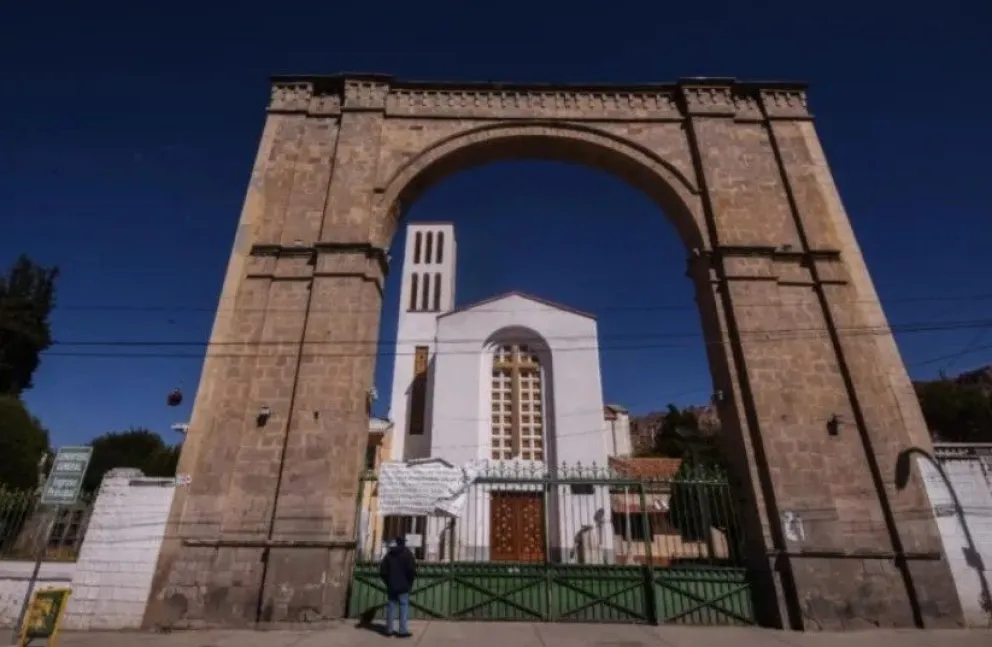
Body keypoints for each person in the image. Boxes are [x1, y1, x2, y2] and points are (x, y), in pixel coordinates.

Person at [379, 536, 416, 637]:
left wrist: (388, 582)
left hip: (392, 585)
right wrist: (409, 583)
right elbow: (411, 571)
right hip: (404, 586)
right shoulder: (408, 554)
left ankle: (389, 630)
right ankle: (402, 631)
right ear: (403, 543)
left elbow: (383, 571)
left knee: (391, 607)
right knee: (403, 607)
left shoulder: (389, 555)